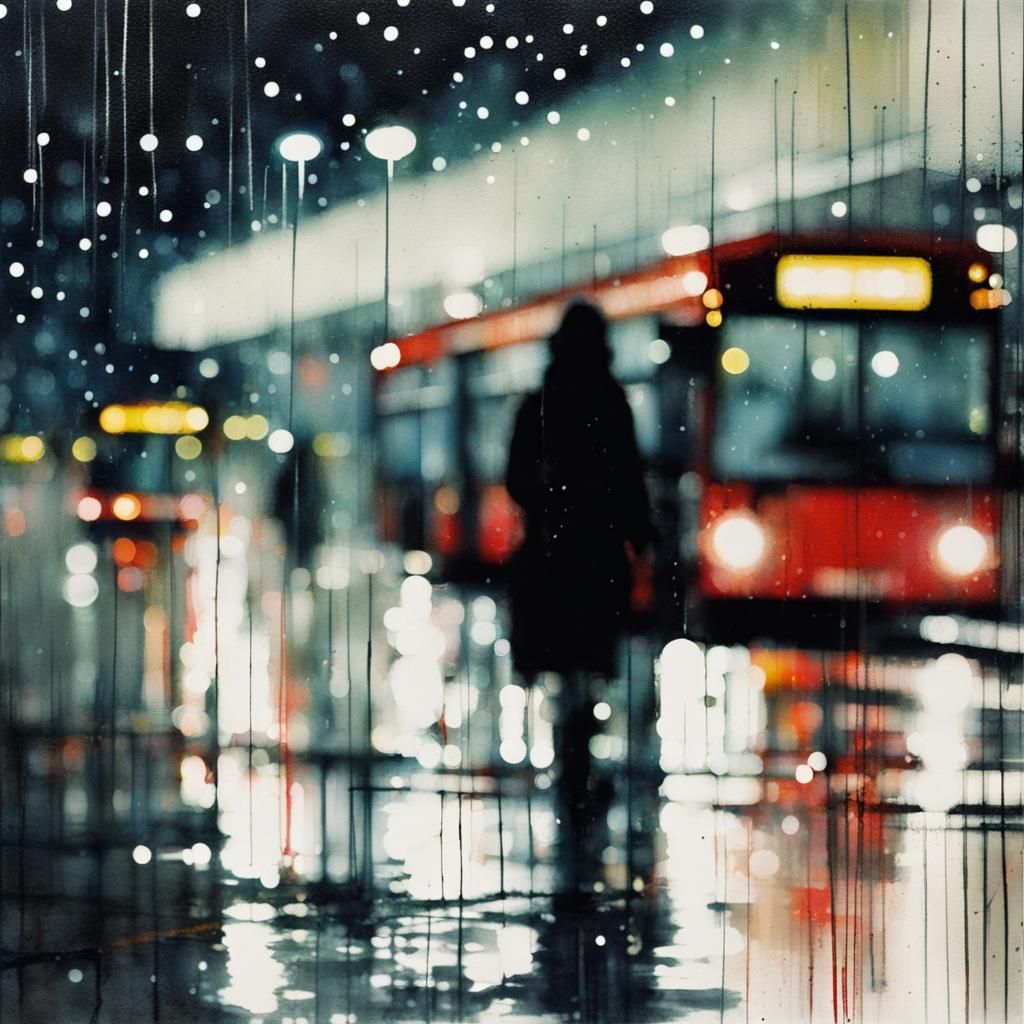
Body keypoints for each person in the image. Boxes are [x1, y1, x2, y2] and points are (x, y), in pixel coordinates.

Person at [505, 299, 653, 888]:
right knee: (589, 664)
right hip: (595, 557)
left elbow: (515, 479)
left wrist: (547, 504)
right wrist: (637, 539)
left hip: (551, 556)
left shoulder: (536, 405)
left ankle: (569, 761)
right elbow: (631, 478)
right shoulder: (612, 403)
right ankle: (582, 756)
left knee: (561, 665)